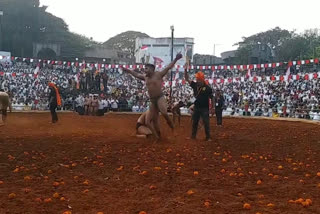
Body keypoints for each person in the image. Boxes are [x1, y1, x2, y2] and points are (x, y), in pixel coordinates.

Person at [122, 53, 183, 140]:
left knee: (164, 113)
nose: (144, 70)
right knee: (150, 121)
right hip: (152, 100)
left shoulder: (158, 74)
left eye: (146, 68)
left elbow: (168, 67)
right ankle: (157, 136)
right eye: (144, 68)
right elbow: (135, 74)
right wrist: (127, 70)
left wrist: (176, 59)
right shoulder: (145, 77)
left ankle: (173, 128)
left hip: (160, 97)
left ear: (152, 69)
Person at [184, 63, 214, 141]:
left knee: (206, 122)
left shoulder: (207, 88)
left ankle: (208, 137)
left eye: (199, 79)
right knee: (195, 122)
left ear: (202, 79)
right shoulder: (194, 85)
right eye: (197, 79)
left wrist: (213, 107)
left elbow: (212, 98)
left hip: (205, 108)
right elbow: (186, 78)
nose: (197, 81)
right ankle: (193, 136)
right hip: (197, 107)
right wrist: (185, 69)